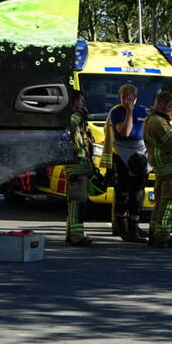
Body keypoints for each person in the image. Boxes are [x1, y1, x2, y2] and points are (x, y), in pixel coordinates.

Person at [143, 91, 172, 248]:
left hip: (162, 168)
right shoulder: (159, 122)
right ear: (162, 103)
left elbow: (165, 140)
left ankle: (154, 233)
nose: (171, 110)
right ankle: (162, 236)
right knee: (169, 203)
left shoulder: (153, 119)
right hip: (169, 167)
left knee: (160, 203)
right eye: (169, 106)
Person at [104, 83, 149, 243]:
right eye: (123, 98)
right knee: (123, 193)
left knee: (137, 194)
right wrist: (129, 111)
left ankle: (134, 227)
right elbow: (125, 132)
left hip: (140, 154)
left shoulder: (143, 111)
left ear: (135, 98)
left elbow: (149, 132)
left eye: (129, 98)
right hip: (122, 155)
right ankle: (121, 227)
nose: (125, 101)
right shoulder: (116, 112)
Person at [64, 90, 93, 247]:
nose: (82, 104)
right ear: (74, 102)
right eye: (80, 101)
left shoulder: (75, 119)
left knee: (75, 203)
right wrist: (82, 114)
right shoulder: (72, 118)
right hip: (76, 166)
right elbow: (74, 121)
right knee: (77, 202)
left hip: (78, 166)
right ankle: (76, 235)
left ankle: (72, 234)